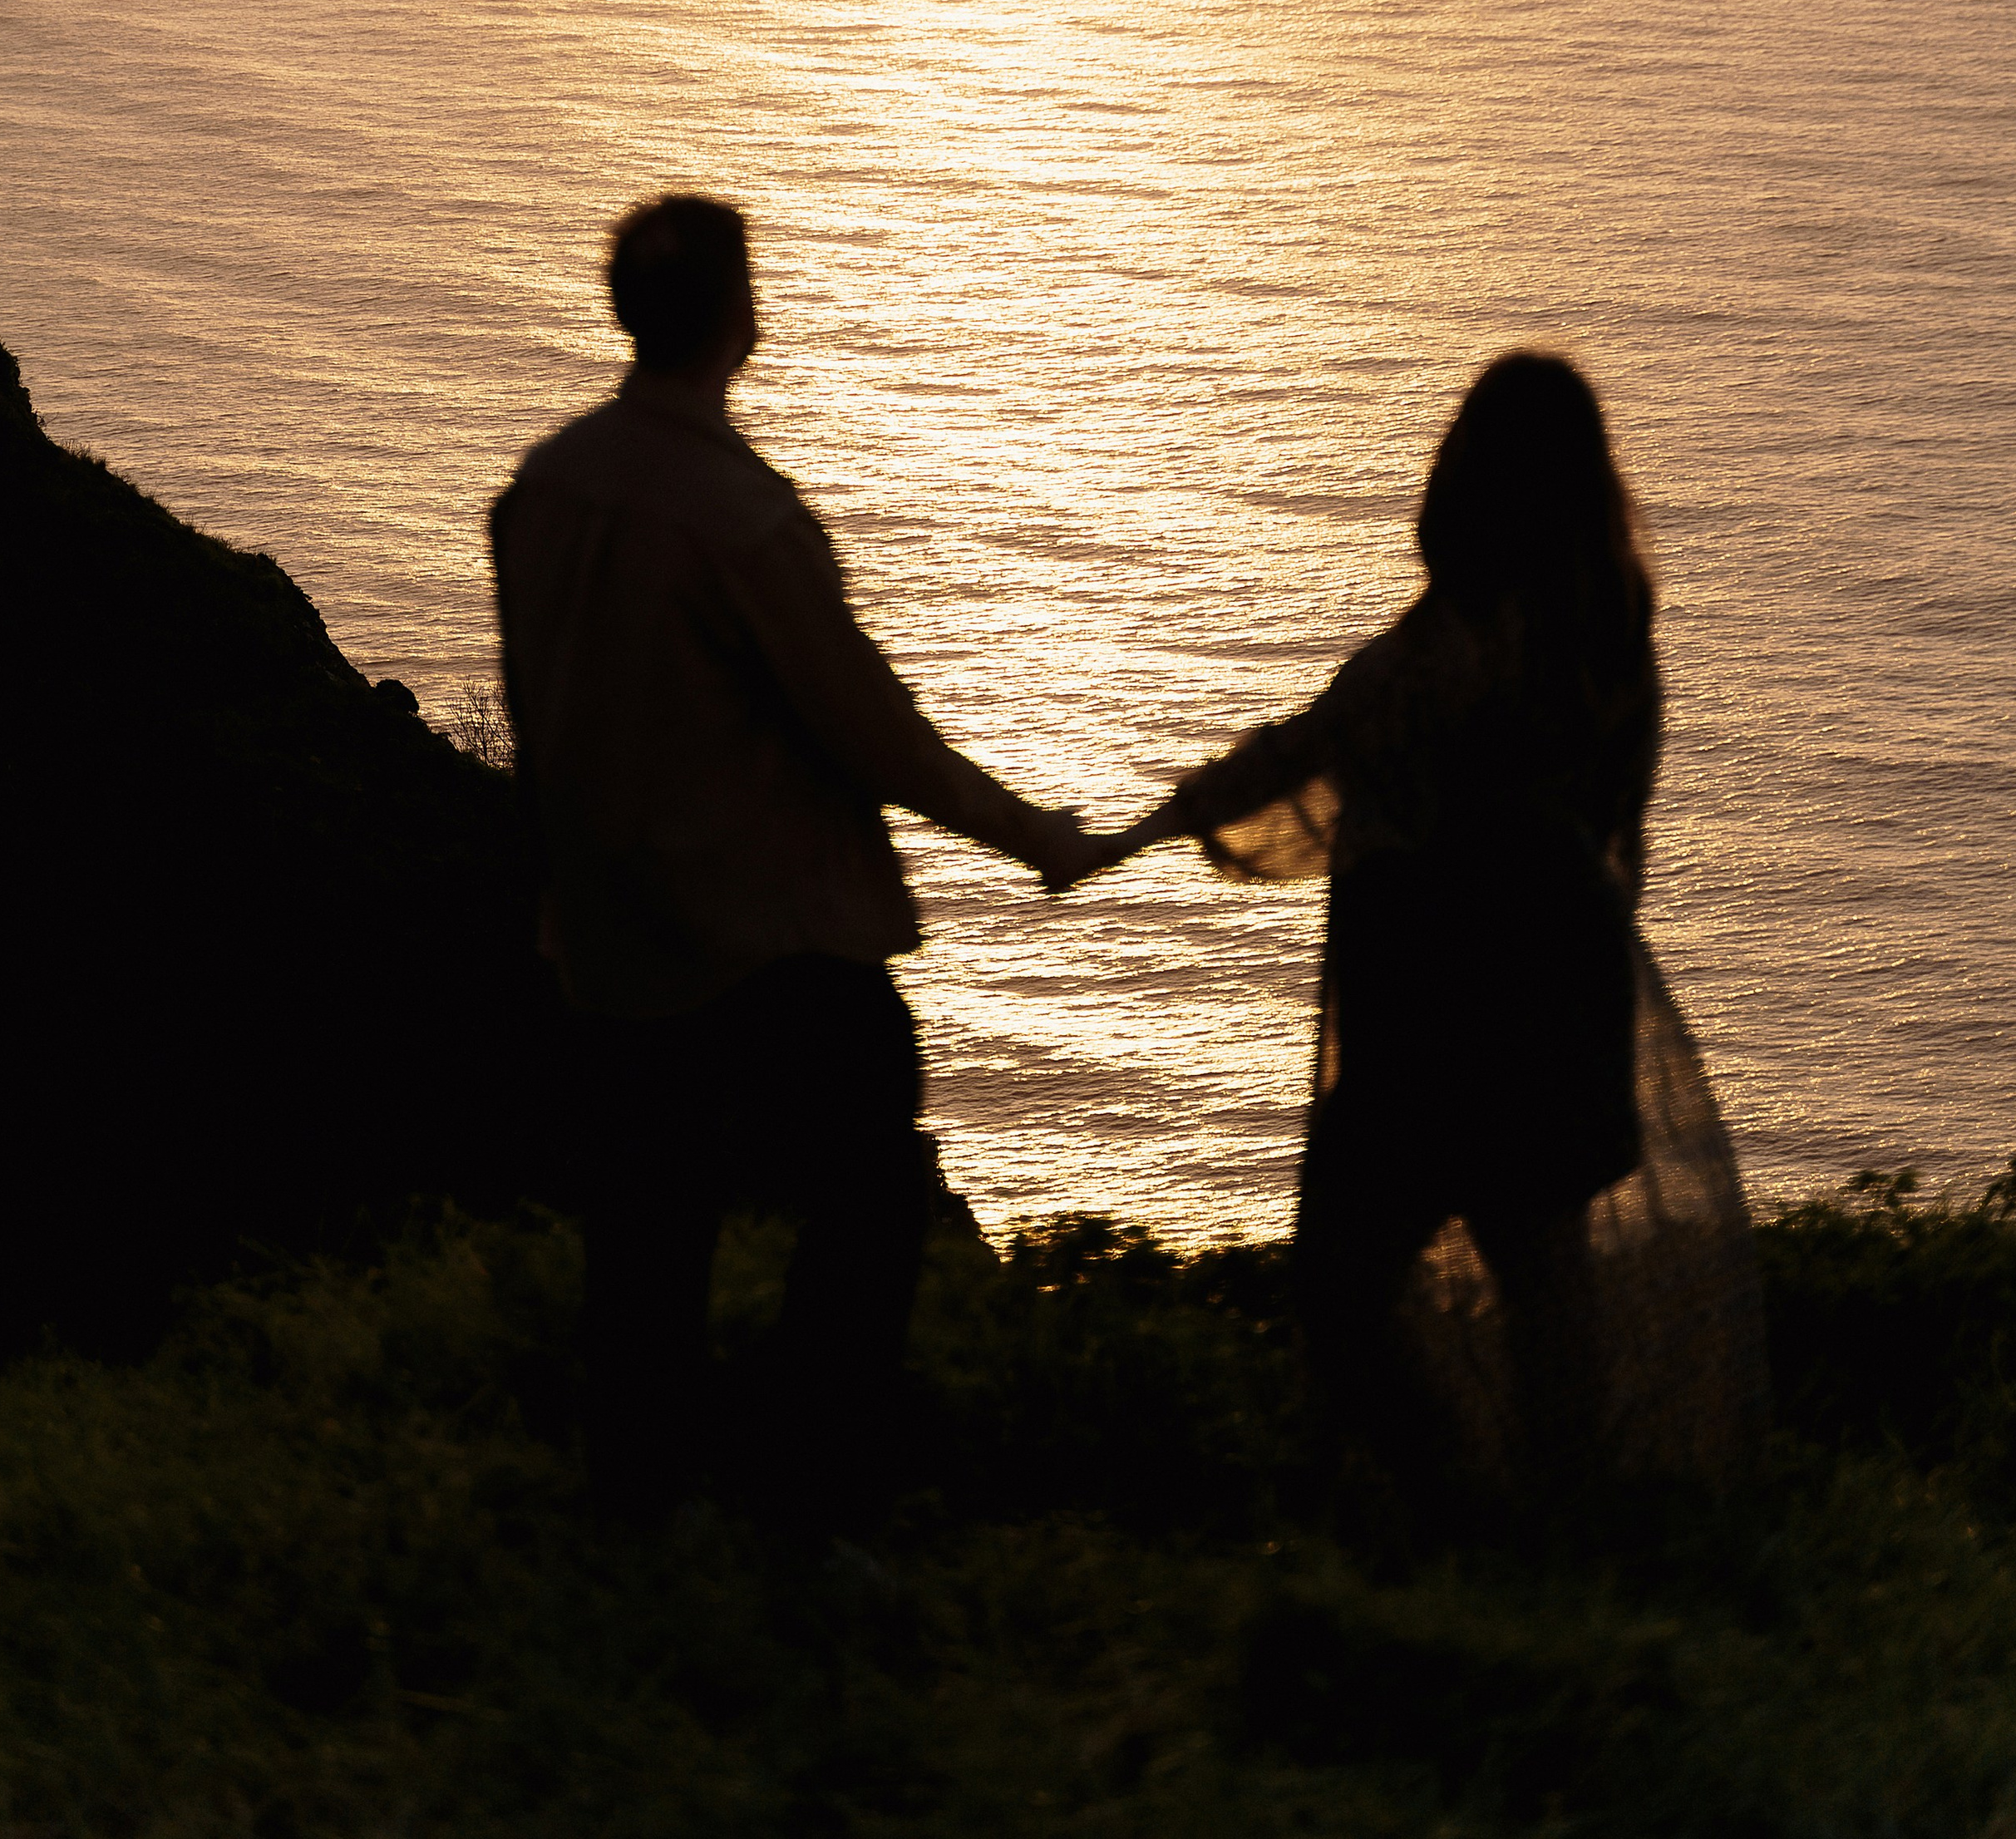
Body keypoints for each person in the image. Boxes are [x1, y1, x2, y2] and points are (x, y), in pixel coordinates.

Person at [490, 194, 1091, 1528]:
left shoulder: (540, 491)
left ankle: (637, 1511)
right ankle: (813, 1504)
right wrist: (1032, 832)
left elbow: (540, 713)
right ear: (742, 316)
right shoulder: (741, 521)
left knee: (645, 1238)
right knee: (869, 1199)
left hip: (608, 937)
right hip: (761, 944)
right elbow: (877, 734)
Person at [1081, 351, 1763, 1498]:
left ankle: (1454, 1491)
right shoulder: (1613, 640)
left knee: (1342, 1284)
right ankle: (1556, 1531)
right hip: (1560, 978)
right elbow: (1612, 827)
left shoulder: (1456, 642)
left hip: (1435, 987)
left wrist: (1132, 833)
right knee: (1546, 1276)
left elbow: (1308, 750)